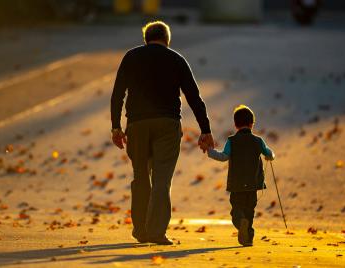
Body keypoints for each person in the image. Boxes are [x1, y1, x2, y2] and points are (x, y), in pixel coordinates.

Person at [110, 21, 214, 245]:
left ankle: (140, 230)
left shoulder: (132, 56)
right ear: (167, 39)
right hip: (167, 124)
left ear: (146, 38)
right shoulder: (176, 59)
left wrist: (116, 126)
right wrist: (205, 130)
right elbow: (194, 98)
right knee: (161, 180)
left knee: (140, 176)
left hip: (137, 125)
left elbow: (118, 92)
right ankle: (156, 232)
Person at [207, 105, 275, 246]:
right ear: (252, 124)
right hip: (252, 185)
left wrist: (210, 151)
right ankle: (248, 239)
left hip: (236, 185)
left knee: (236, 211)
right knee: (250, 211)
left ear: (235, 124)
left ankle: (240, 224)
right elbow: (269, 153)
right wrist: (271, 156)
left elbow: (223, 156)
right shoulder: (258, 141)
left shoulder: (232, 141)